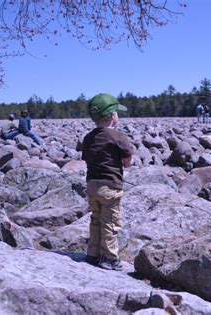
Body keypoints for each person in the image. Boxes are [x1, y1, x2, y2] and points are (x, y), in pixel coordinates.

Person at [82, 93, 135, 271]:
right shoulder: (118, 137)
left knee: (96, 219)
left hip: (91, 184)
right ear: (113, 115)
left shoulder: (88, 137)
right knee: (110, 223)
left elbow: (88, 159)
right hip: (110, 186)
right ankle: (110, 258)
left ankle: (92, 254)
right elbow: (127, 162)